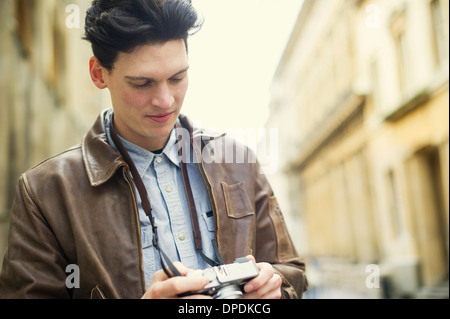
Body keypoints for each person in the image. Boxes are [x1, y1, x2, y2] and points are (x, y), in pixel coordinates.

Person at [0, 0, 307, 299]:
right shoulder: (44, 192)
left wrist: (275, 287)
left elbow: (292, 271)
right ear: (98, 74)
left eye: (177, 78)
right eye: (142, 83)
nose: (165, 101)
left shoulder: (238, 161)